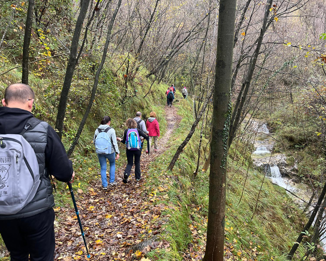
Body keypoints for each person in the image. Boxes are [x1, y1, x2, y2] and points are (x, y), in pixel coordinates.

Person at [0, 83, 74, 260]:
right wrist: (68, 173)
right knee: (42, 257)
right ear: (30, 103)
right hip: (36, 211)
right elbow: (63, 172)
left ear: (3, 102)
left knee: (17, 255)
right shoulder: (42, 129)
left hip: (3, 212)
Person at [117, 118, 149, 183]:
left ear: (127, 124)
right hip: (137, 149)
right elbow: (146, 137)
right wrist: (143, 140)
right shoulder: (137, 130)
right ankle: (137, 178)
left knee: (130, 163)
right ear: (135, 123)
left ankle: (126, 174)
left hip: (129, 150)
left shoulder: (126, 131)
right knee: (137, 163)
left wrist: (120, 139)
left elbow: (124, 141)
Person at [94, 116, 120, 189]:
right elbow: (114, 142)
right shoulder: (111, 130)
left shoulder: (97, 130)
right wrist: (117, 152)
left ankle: (104, 185)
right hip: (110, 151)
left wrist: (98, 148)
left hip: (100, 152)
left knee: (103, 167)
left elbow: (94, 141)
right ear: (109, 122)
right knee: (112, 164)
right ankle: (112, 181)